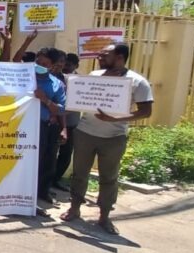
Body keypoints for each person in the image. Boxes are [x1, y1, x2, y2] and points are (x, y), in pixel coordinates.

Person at [61, 44, 152, 235]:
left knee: (109, 177)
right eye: (100, 54)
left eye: (105, 55)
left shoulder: (137, 82)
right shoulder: (94, 75)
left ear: (120, 57)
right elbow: (79, 100)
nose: (99, 57)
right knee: (79, 174)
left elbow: (145, 111)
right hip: (85, 133)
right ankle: (74, 208)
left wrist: (115, 119)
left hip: (114, 137)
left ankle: (104, 217)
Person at [33, 48, 67, 207]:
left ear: (52, 66)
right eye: (37, 62)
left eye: (44, 64)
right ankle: (26, 195)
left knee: (48, 162)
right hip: (24, 126)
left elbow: (61, 109)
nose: (39, 65)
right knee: (28, 162)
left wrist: (45, 100)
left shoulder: (57, 84)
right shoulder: (25, 77)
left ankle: (43, 192)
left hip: (45, 127)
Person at [54, 53, 81, 190]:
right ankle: (46, 182)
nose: (65, 67)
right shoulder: (58, 78)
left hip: (71, 123)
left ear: (76, 66)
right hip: (55, 122)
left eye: (69, 65)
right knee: (51, 154)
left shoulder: (81, 81)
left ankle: (56, 179)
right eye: (64, 63)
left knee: (66, 154)